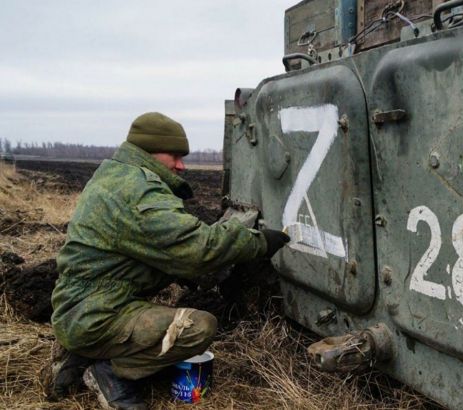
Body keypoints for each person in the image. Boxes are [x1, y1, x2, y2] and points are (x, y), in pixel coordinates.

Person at [40, 112, 290, 409]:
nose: (181, 165)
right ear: (148, 151)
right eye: (174, 156)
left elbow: (155, 246)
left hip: (81, 307)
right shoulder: (138, 190)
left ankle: (80, 355)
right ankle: (110, 374)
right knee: (197, 327)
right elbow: (199, 249)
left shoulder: (115, 174)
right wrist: (261, 242)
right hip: (96, 314)